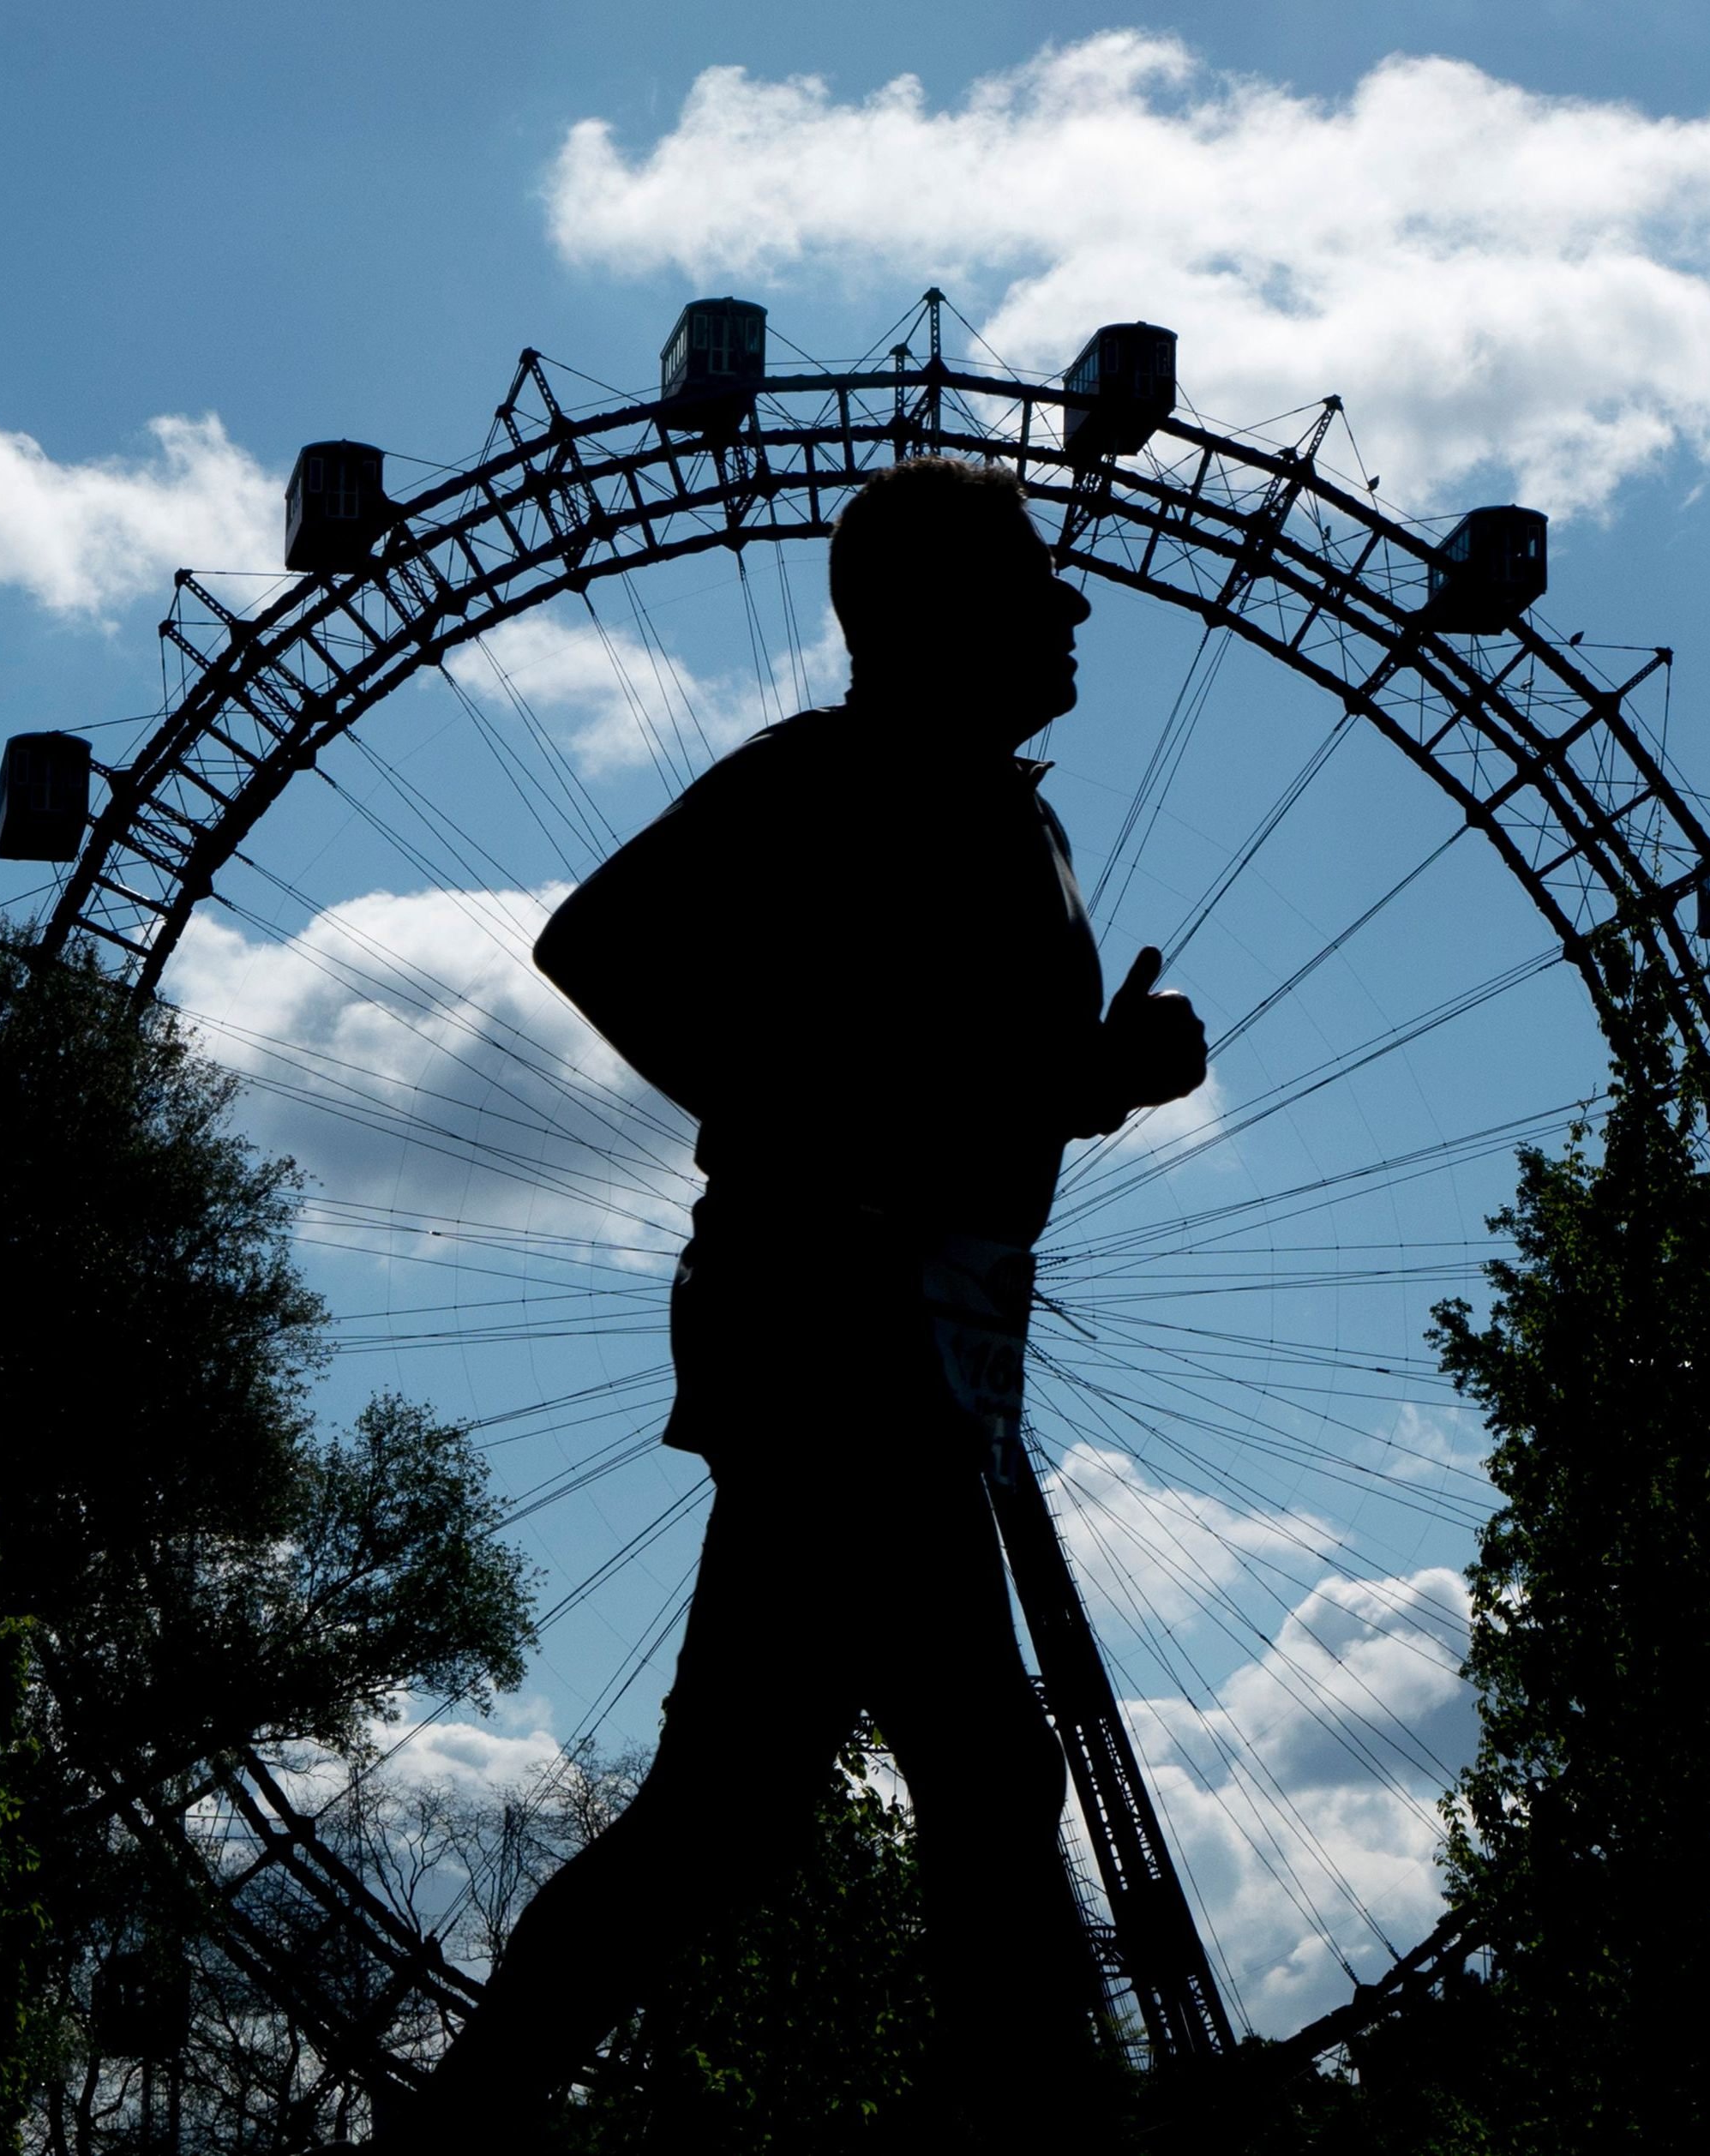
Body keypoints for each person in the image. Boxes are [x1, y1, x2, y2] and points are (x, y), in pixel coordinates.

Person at [407, 456, 1208, 2146]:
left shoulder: (1014, 816)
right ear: (932, 619)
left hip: (916, 1345)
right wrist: (804, 1135)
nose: (1070, 611)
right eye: (1029, 588)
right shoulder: (827, 777)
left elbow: (970, 1085)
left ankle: (464, 2122)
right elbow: (596, 944)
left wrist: (1094, 1082)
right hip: (832, 1337)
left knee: (743, 1814)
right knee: (976, 1782)